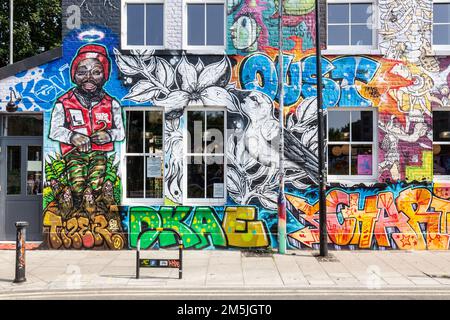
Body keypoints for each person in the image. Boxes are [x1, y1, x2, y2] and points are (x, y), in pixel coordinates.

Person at [49, 44, 124, 212]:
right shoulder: (64, 102)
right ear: (74, 75)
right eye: (82, 72)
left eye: (96, 72)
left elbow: (121, 133)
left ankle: (93, 210)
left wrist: (109, 135)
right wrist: (71, 136)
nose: (88, 78)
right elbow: (54, 130)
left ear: (105, 76)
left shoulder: (112, 103)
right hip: (75, 154)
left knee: (95, 184)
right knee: (77, 185)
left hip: (99, 153)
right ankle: (70, 204)